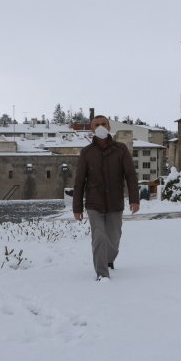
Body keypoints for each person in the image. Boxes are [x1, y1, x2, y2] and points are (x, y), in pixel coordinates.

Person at [73, 115, 139, 281]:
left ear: (109, 127)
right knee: (99, 236)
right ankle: (102, 274)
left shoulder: (121, 149)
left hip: (115, 202)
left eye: (103, 124)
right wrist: (77, 208)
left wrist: (134, 199)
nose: (100, 127)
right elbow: (79, 181)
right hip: (94, 203)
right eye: (97, 125)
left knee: (114, 238)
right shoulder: (86, 152)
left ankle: (109, 259)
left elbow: (130, 175)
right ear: (92, 129)